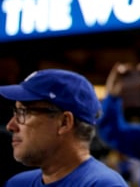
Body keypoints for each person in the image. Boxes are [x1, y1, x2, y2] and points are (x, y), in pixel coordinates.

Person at [0, 68, 128, 187]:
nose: (11, 126)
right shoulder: (17, 183)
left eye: (24, 112)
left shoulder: (102, 184)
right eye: (15, 112)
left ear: (64, 122)